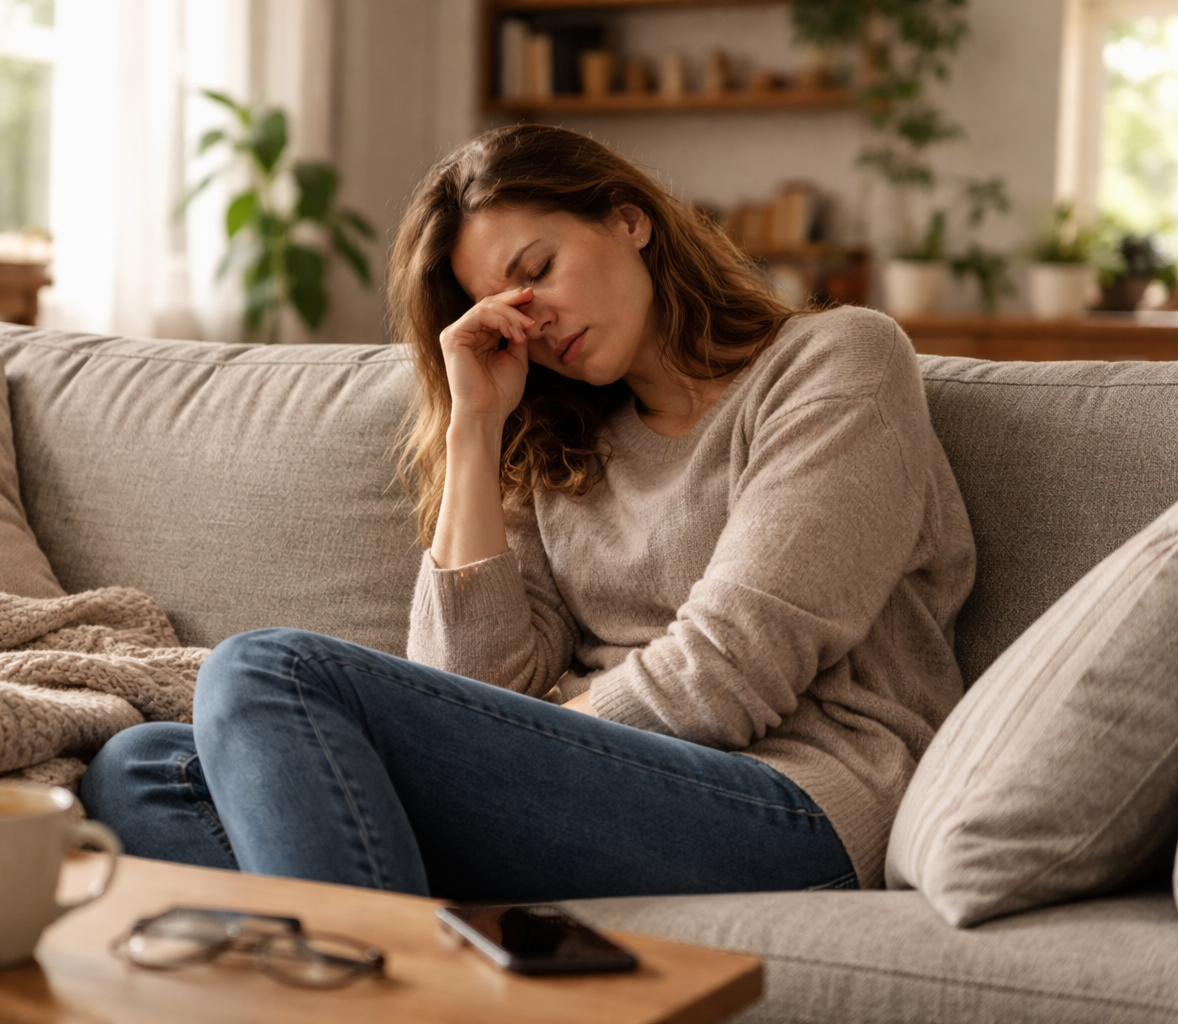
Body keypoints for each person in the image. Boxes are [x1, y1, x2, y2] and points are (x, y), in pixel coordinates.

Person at [81, 124, 975, 900]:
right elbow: (474, 687)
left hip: (796, 801)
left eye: (538, 270)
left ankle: (379, 975)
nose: (533, 319)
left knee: (265, 671)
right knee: (141, 768)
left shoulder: (835, 362)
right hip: (598, 784)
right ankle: (402, 957)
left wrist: (511, 741)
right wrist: (475, 429)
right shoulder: (559, 441)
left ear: (628, 219)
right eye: (504, 305)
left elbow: (733, 668)